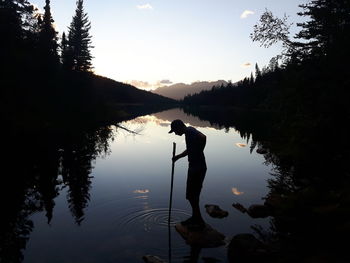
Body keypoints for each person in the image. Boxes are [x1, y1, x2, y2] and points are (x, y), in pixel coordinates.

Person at [169, 119, 207, 229]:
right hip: (196, 167)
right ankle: (196, 218)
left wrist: (199, 151)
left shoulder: (190, 131)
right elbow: (189, 150)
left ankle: (198, 220)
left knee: (191, 195)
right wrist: (178, 157)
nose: (175, 133)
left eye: (175, 131)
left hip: (197, 168)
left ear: (179, 127)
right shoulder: (188, 133)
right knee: (192, 196)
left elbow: (203, 137)